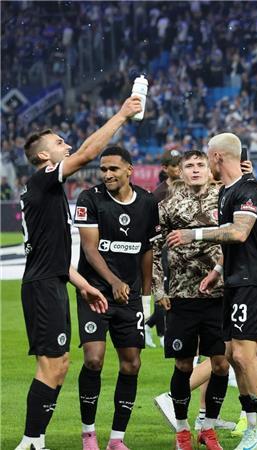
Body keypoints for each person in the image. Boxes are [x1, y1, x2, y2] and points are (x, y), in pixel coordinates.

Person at [16, 96, 140, 450]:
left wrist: (84, 285)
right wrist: (121, 115)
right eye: (59, 143)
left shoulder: (47, 191)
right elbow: (86, 154)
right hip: (43, 287)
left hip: (52, 281)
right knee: (52, 365)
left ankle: (35, 440)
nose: (66, 146)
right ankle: (31, 441)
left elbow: (54, 256)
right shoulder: (43, 180)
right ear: (44, 156)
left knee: (59, 365)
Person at [167, 132, 257, 449]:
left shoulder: (249, 189)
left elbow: (240, 232)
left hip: (252, 282)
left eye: (207, 156)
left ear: (217, 157)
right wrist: (217, 272)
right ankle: (253, 422)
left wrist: (193, 235)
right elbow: (232, 243)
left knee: (244, 353)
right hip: (233, 281)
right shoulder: (227, 191)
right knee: (231, 354)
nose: (206, 161)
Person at [73, 146, 158, 450]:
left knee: (131, 364)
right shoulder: (90, 198)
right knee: (94, 360)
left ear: (129, 170)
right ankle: (88, 434)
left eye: (113, 169)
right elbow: (90, 249)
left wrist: (145, 297)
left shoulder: (147, 202)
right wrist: (113, 281)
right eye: (103, 169)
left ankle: (117, 439)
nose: (107, 174)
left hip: (129, 297)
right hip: (94, 292)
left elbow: (147, 251)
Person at [149, 150, 230, 450]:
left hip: (219, 295)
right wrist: (158, 289)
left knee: (221, 364)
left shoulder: (225, 200)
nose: (195, 170)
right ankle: (182, 430)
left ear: (209, 170)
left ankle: (208, 427)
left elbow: (238, 238)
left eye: (200, 165)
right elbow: (154, 250)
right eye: (189, 166)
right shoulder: (168, 205)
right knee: (183, 365)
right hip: (182, 295)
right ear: (180, 172)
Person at [147, 149, 184, 347]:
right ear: (164, 168)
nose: (179, 169)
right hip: (166, 250)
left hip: (188, 251)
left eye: (180, 164)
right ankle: (163, 332)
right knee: (167, 290)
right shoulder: (158, 195)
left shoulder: (191, 187)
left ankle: (151, 325)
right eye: (175, 165)